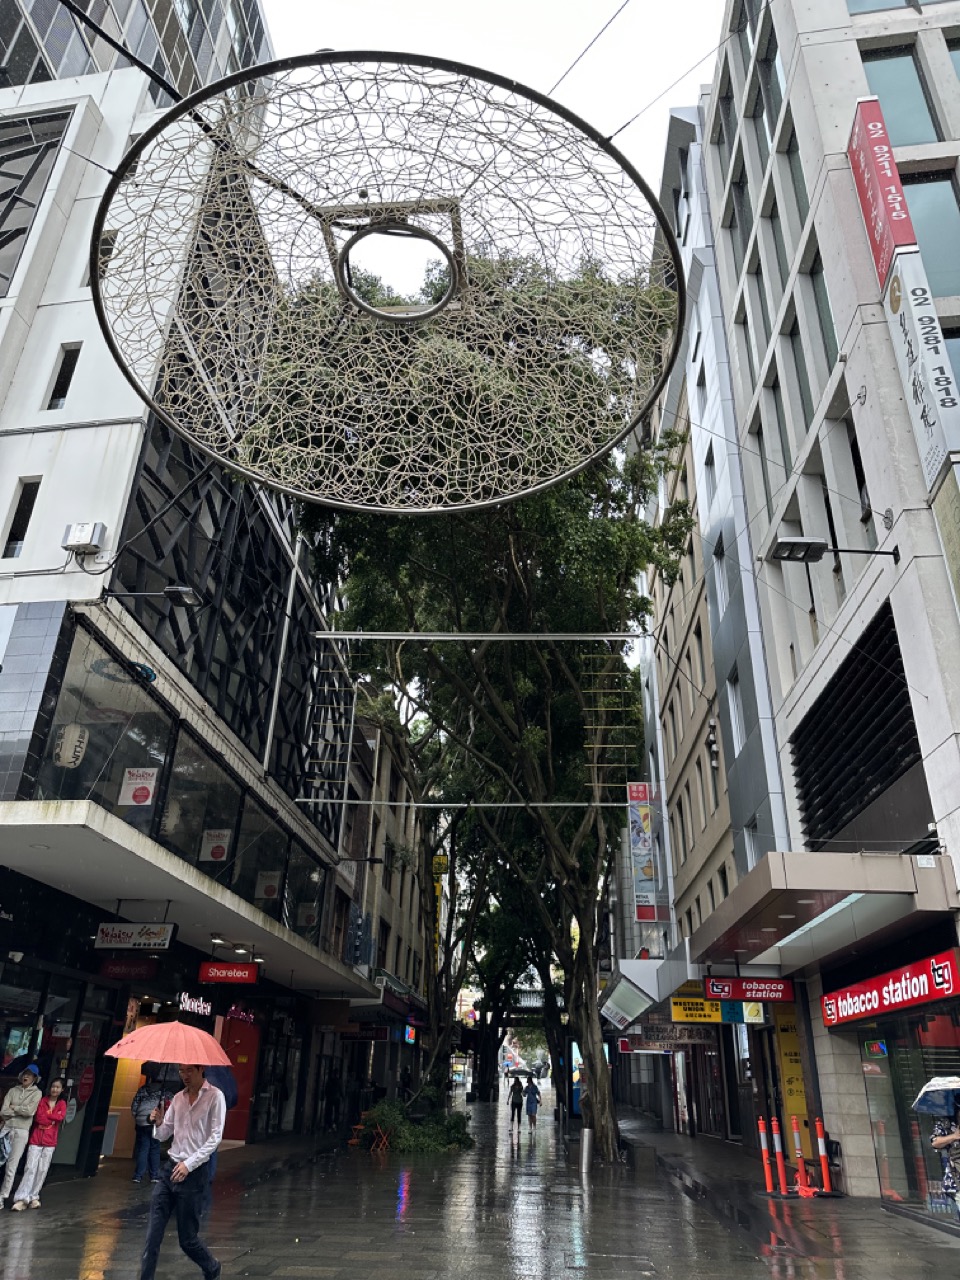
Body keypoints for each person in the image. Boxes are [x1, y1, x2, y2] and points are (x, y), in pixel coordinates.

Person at [139, 1064, 225, 1280]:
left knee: (187, 1240)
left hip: (194, 1175)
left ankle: (211, 1267)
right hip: (169, 1171)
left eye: (189, 1070)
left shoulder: (215, 1097)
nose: (184, 1075)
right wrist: (158, 1123)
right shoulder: (178, 1098)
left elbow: (215, 1138)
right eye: (181, 1071)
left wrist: (190, 1164)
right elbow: (164, 1132)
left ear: (200, 1070)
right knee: (153, 1236)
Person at [11, 1078, 67, 1210]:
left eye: (58, 1087)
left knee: (42, 1170)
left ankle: (34, 1196)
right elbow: (38, 1117)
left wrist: (49, 1117)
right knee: (30, 1167)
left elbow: (60, 1117)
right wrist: (52, 1117)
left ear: (62, 1090)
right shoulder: (42, 1100)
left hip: (50, 1141)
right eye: (53, 1086)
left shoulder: (62, 1103)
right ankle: (22, 1198)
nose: (55, 1089)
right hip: (36, 1138)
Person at [0, 1065, 42, 1208]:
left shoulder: (37, 1093)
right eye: (25, 1074)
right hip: (6, 1128)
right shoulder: (13, 1090)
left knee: (11, 1166)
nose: (26, 1077)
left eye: (30, 1075)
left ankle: (2, 1196)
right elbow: (3, 1111)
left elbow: (30, 1111)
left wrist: (14, 1108)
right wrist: (18, 1111)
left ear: (34, 1078)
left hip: (21, 1131)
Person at [131, 1064, 171, 1185]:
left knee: (143, 1148)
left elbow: (134, 1106)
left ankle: (138, 1176)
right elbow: (172, 1105)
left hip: (141, 1121)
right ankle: (154, 1175)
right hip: (154, 1122)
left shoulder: (143, 1089)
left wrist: (137, 1117)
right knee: (154, 1148)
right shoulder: (164, 1092)